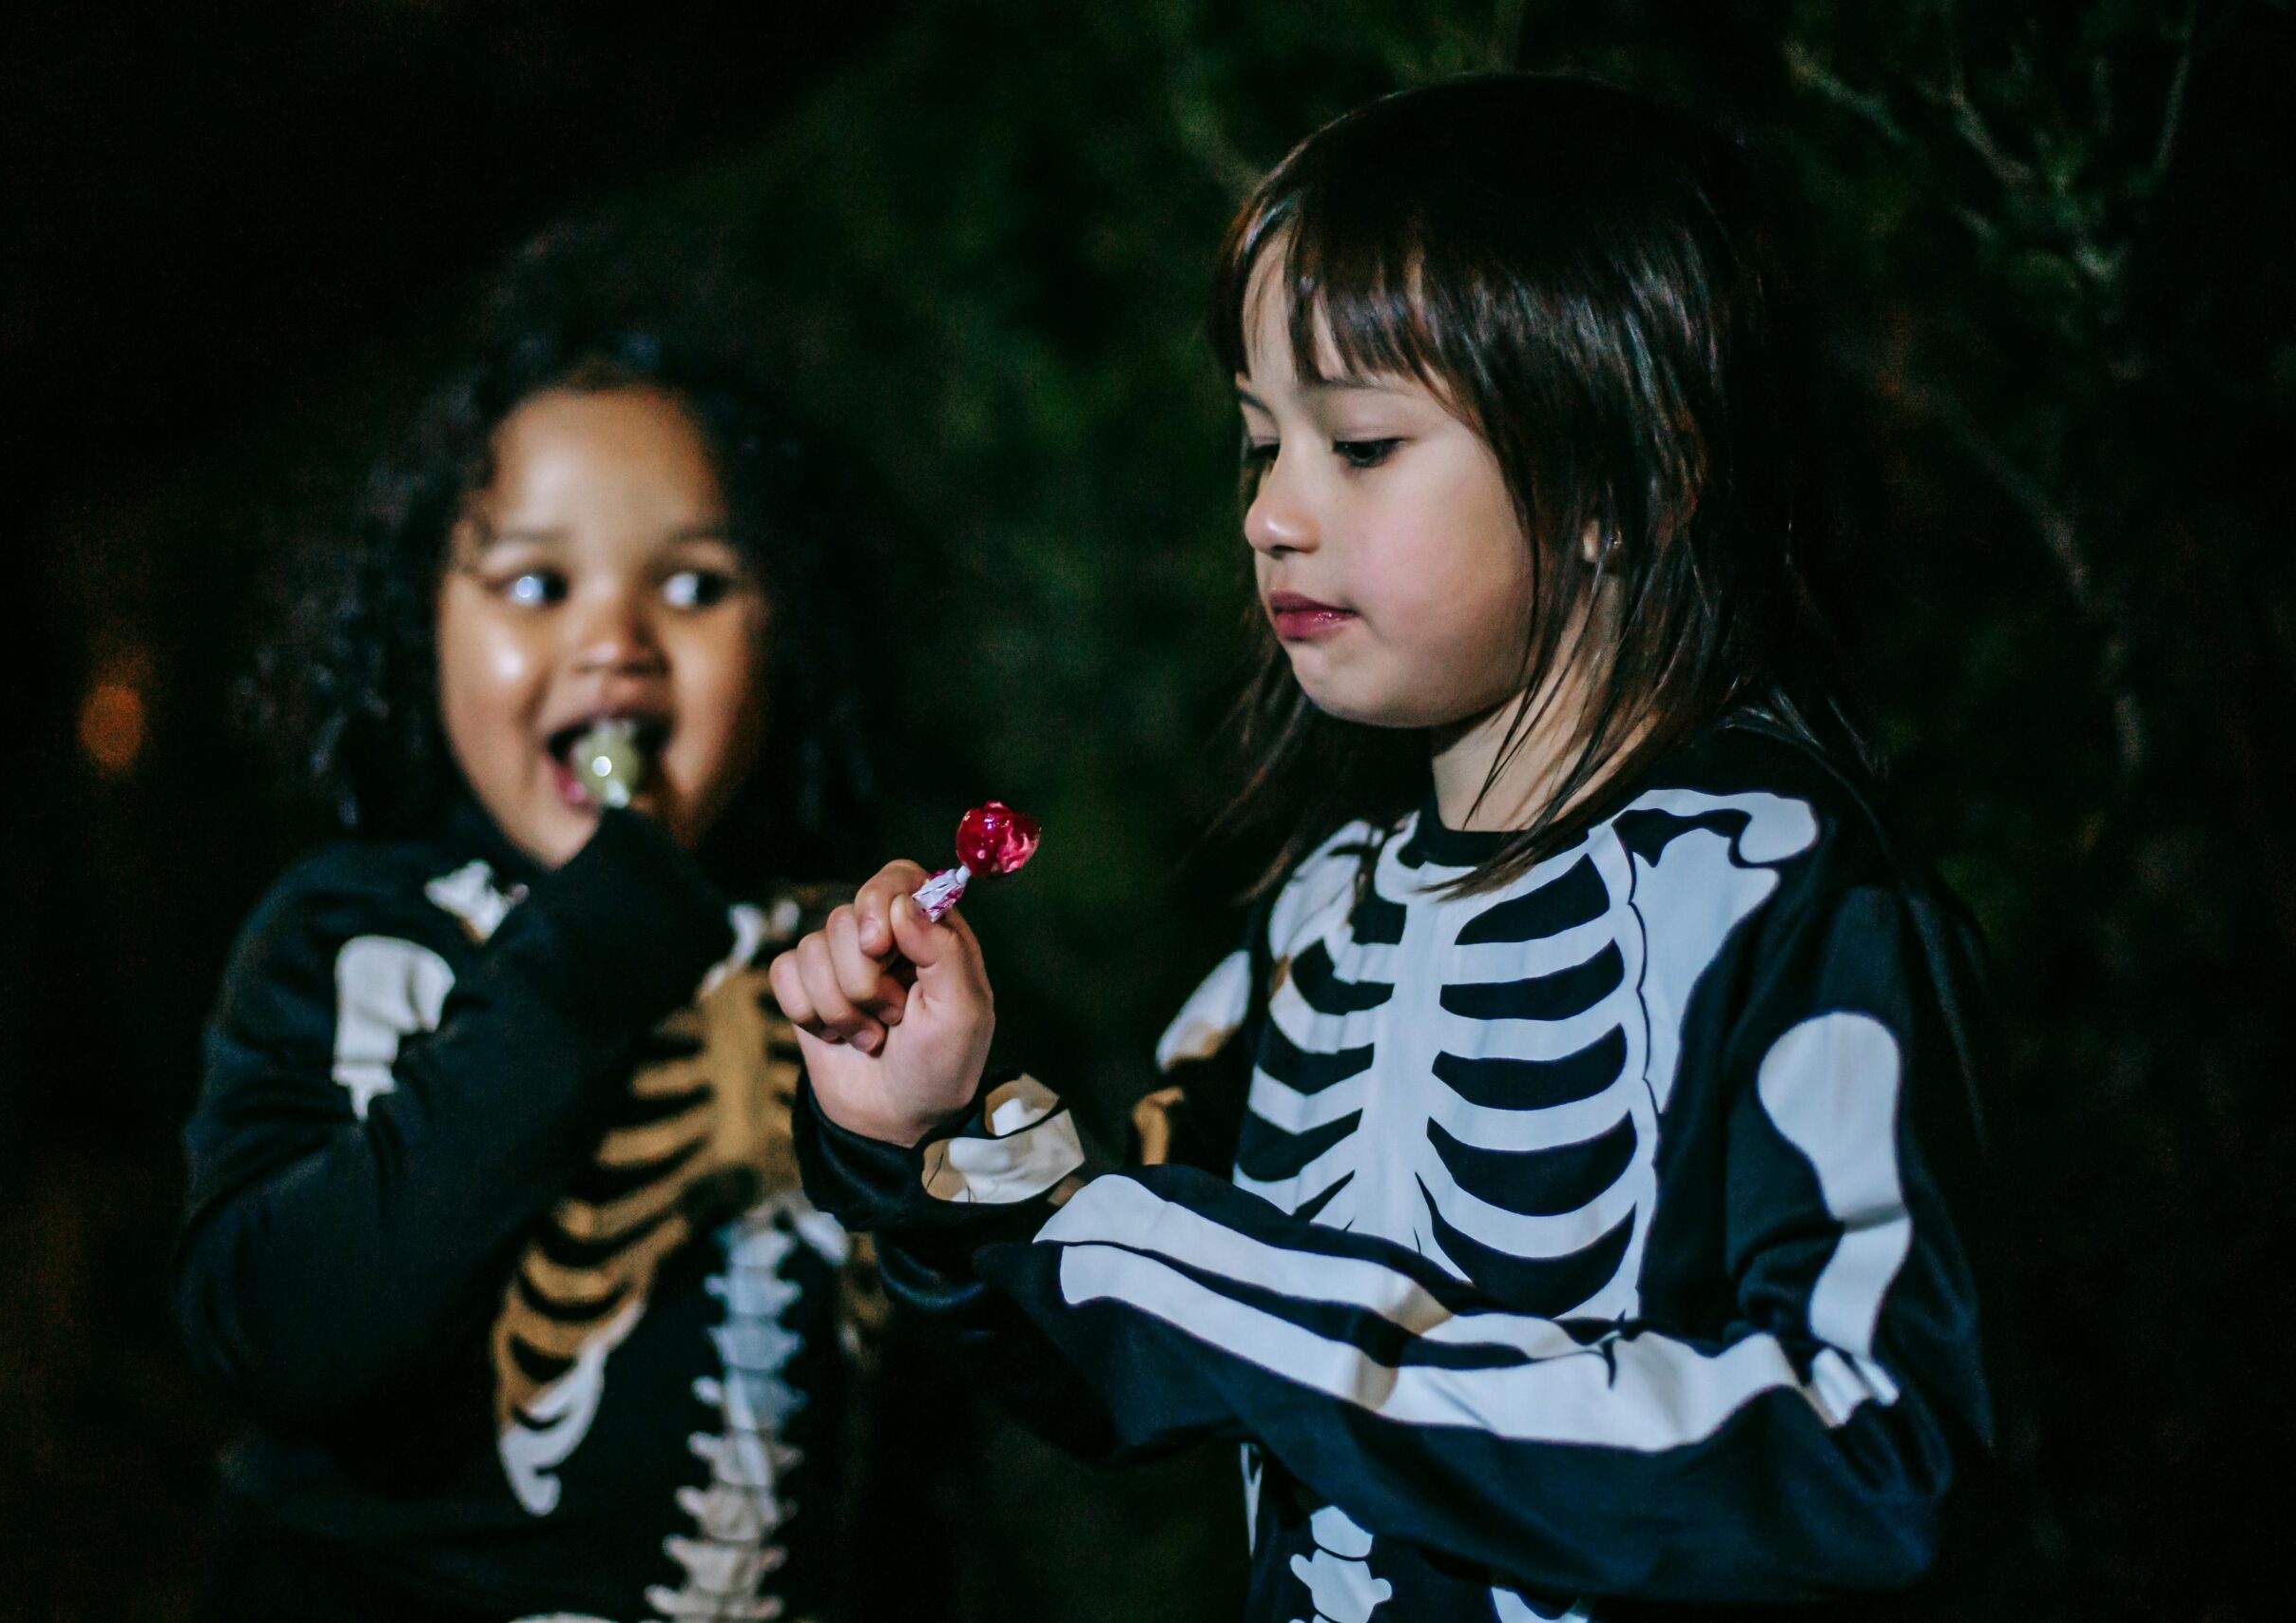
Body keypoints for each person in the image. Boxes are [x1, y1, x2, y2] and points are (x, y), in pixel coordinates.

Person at [770, 76, 1997, 1621]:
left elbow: (1866, 1463)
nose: (1271, 516)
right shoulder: (1319, 918)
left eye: (1359, 444)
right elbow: (1122, 1358)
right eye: (1256, 445)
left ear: (1640, 472)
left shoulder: (1784, 898)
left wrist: (1208, 1285)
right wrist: (919, 1147)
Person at [175, 308, 883, 1622]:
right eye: (537, 585)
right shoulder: (347, 933)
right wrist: (583, 955)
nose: (615, 640)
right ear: (415, 624)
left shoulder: (835, 960)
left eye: (691, 585)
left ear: (783, 635)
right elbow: (274, 1333)